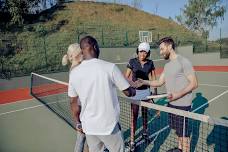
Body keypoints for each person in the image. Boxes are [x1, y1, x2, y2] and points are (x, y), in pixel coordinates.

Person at [68, 36, 136, 152]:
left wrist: (78, 123)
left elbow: (73, 103)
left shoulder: (74, 73)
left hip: (89, 127)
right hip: (109, 127)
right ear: (95, 47)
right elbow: (128, 92)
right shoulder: (110, 67)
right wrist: (133, 88)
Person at [136, 37, 198, 152]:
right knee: (178, 133)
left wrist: (177, 95)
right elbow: (159, 82)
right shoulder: (167, 66)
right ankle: (180, 149)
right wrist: (144, 81)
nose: (160, 52)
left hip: (182, 106)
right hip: (172, 105)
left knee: (184, 136)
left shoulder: (183, 61)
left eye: (162, 49)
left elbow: (194, 83)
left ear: (170, 47)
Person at [125, 42, 158, 151]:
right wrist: (130, 85)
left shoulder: (150, 63)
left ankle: (145, 132)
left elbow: (153, 79)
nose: (142, 54)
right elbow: (126, 77)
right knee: (134, 117)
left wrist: (155, 92)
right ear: (138, 51)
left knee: (144, 115)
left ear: (148, 53)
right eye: (141, 51)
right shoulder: (132, 62)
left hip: (146, 93)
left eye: (145, 52)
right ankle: (132, 140)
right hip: (135, 93)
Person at [62, 43, 87, 152]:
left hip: (82, 108)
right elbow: (73, 100)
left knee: (82, 138)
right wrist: (78, 121)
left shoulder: (76, 67)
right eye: (81, 51)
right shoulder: (78, 68)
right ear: (77, 54)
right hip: (83, 109)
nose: (83, 52)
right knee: (84, 138)